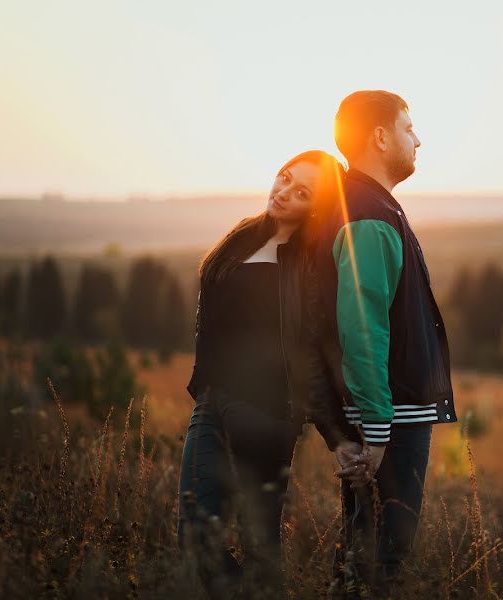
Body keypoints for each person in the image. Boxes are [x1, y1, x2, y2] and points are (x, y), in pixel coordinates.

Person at [307, 90, 458, 596]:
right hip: (390, 418)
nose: (418, 138)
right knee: (379, 564)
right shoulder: (368, 214)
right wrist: (375, 424)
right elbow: (364, 323)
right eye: (408, 127)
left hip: (388, 414)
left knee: (364, 558)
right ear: (380, 136)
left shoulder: (372, 207)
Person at [176, 149, 345, 598]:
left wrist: (338, 435)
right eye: (284, 178)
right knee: (195, 536)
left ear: (316, 206)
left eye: (301, 191)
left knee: (259, 547)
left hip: (267, 414)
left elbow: (315, 351)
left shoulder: (310, 263)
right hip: (213, 404)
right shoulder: (242, 237)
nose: (284, 192)